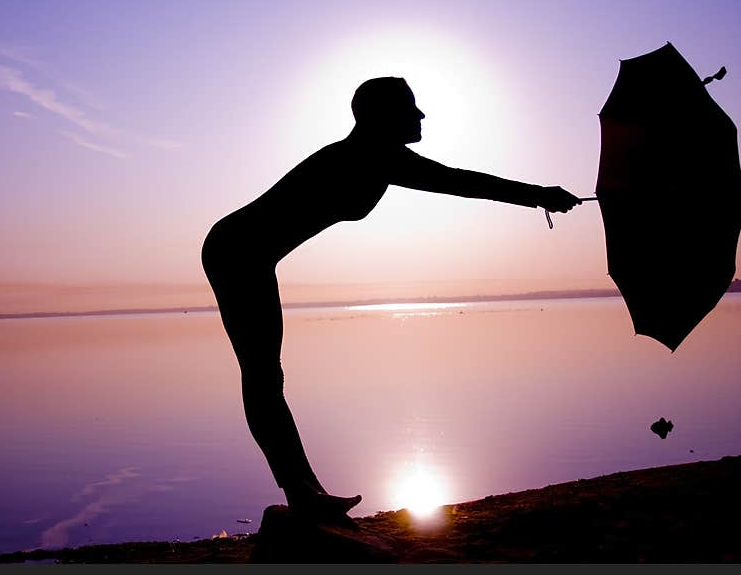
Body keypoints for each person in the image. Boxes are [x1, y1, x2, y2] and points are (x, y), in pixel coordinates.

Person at [201, 76, 580, 519]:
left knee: (267, 377)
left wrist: (540, 198)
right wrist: (540, 196)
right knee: (264, 376)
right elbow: (461, 182)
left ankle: (304, 491)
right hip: (235, 252)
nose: (420, 117)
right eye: (411, 109)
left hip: (252, 256)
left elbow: (459, 181)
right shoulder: (370, 156)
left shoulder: (379, 157)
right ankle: (302, 492)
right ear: (381, 117)